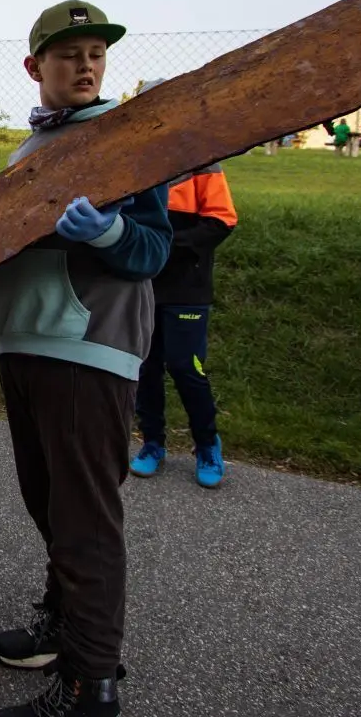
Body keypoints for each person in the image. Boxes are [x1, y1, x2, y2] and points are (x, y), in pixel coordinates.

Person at [0, 0, 171, 717]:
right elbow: (7, 236)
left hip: (85, 351)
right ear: (36, 67)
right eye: (69, 54)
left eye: (96, 52)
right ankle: (65, 631)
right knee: (51, 508)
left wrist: (108, 233)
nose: (87, 65)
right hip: (26, 346)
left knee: (85, 523)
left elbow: (154, 249)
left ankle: (88, 690)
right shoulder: (27, 153)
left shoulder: (128, 140)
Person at [126, 93, 239, 487]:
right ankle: (152, 443)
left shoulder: (203, 160)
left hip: (187, 287)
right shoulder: (137, 160)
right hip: (144, 283)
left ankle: (207, 445)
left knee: (185, 367)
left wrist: (164, 244)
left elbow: (223, 220)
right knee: (145, 368)